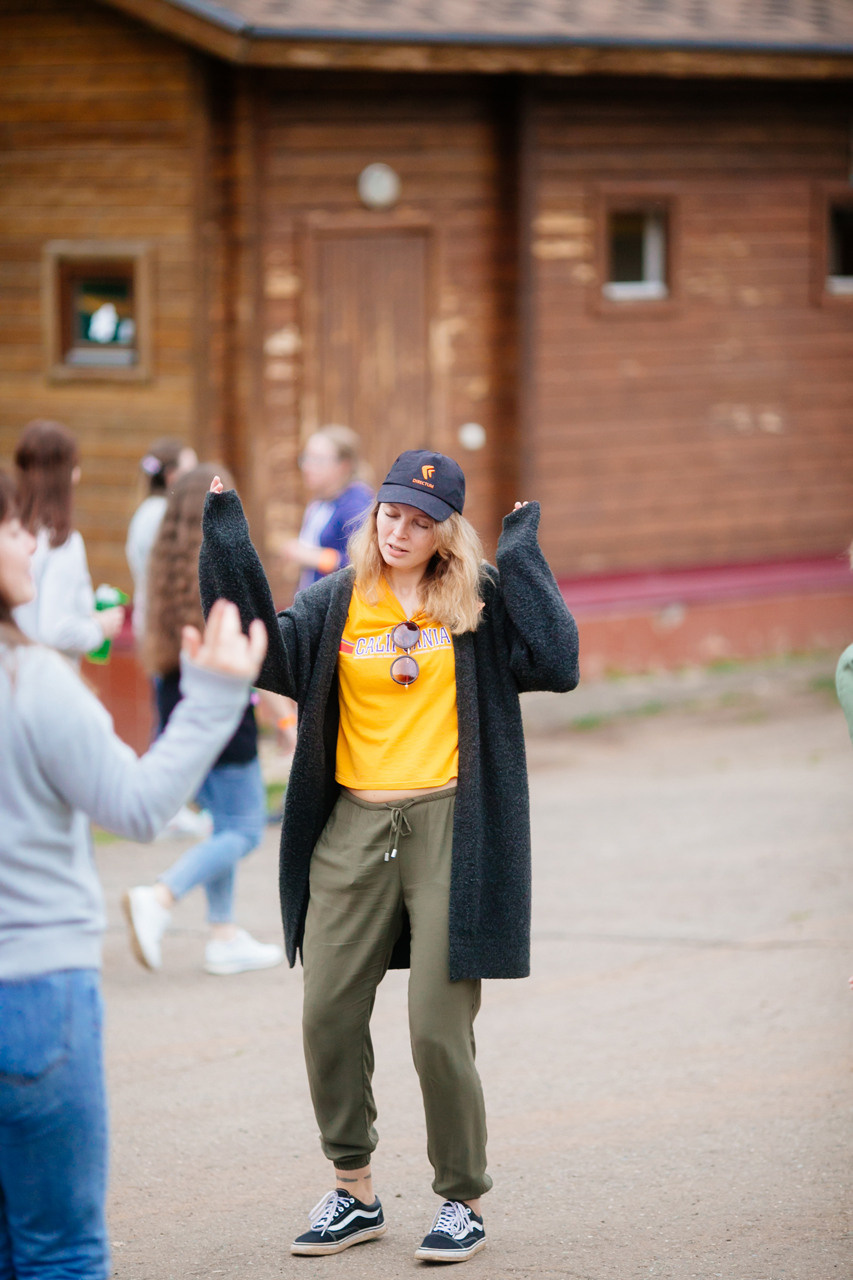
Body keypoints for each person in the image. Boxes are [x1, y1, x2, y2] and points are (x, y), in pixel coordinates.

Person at [199, 449, 580, 1262]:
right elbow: (260, 652)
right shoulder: (338, 600)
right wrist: (226, 538)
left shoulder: (473, 604)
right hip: (352, 829)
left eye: (419, 520)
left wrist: (520, 551)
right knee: (327, 1013)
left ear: (446, 533)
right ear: (373, 517)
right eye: (390, 513)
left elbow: (558, 661)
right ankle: (353, 1192)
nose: (400, 530)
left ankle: (461, 1199)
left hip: (451, 825)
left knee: (437, 1031)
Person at [0, 466, 267, 1280]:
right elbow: (140, 805)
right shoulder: (30, 680)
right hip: (35, 994)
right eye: (9, 527)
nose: (27, 538)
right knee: (62, 1252)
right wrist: (218, 694)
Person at [122, 464, 284, 977]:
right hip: (221, 701)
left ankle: (223, 933)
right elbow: (253, 651)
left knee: (223, 823)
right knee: (245, 828)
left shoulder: (166, 564)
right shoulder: (219, 565)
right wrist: (284, 721)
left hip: (180, 695)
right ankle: (161, 895)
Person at [13, 419, 124, 665]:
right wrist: (99, 627)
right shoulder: (61, 542)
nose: (78, 475)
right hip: (44, 681)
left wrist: (85, 614)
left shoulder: (11, 534)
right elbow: (56, 630)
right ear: (61, 475)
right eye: (73, 466)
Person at [282, 424, 373, 594]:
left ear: (344, 465)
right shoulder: (320, 501)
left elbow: (365, 561)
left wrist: (313, 557)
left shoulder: (357, 504)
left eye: (318, 460)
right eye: (306, 458)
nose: (307, 467)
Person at [125, 437, 198, 648]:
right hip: (164, 624)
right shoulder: (160, 516)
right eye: (189, 473)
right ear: (171, 476)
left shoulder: (148, 510)